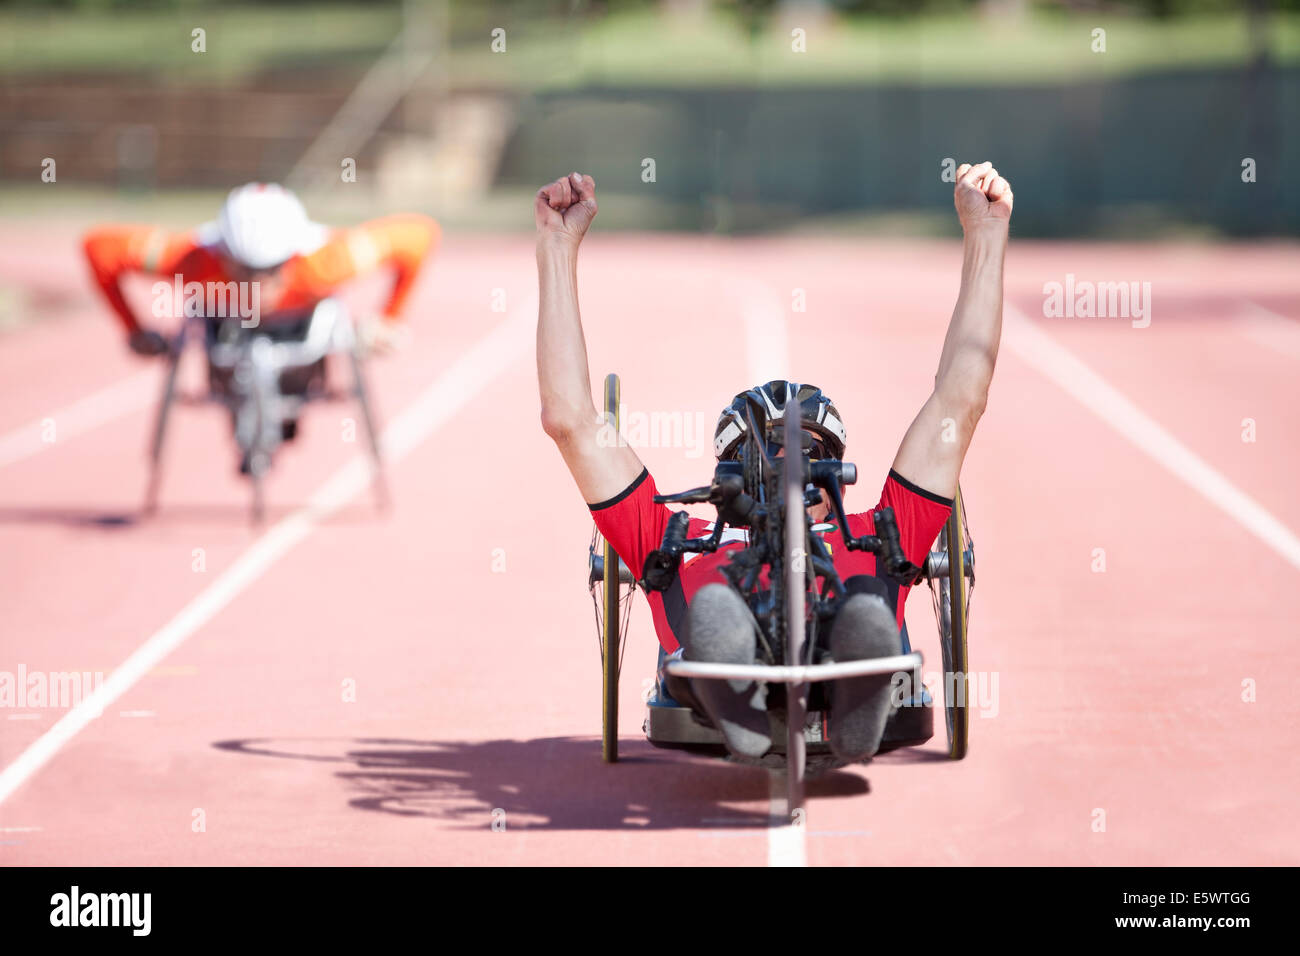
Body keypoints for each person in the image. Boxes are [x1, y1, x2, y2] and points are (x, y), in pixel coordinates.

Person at [536, 163, 1011, 761]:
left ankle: (855, 686)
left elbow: (960, 401)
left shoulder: (878, 533)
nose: (788, 462)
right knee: (714, 610)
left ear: (833, 467)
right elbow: (570, 420)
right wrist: (557, 245)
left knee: (863, 610)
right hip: (717, 655)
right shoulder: (673, 538)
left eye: (806, 450)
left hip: (847, 639)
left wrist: (985, 233)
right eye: (765, 450)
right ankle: (741, 702)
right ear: (727, 470)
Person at [83, 182, 439, 359]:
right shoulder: (190, 260)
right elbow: (99, 248)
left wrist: (390, 318)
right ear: (221, 253)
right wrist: (133, 329)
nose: (256, 285)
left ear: (292, 256)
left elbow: (420, 235)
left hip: (302, 322)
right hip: (222, 321)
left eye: (270, 271)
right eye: (243, 270)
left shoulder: (327, 262)